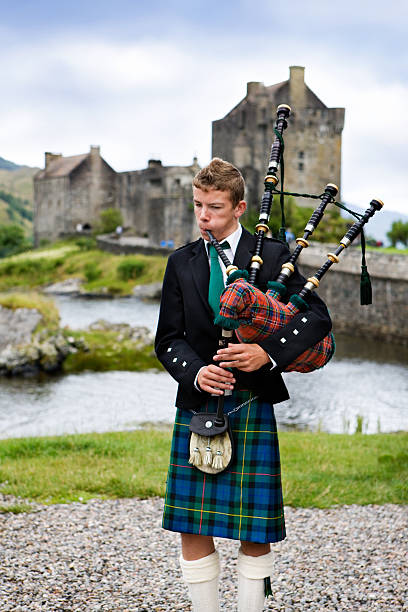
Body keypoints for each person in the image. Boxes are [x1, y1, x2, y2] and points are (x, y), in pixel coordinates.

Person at [155, 158, 332, 611]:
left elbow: (317, 320)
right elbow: (168, 339)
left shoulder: (274, 255)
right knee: (193, 524)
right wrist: (196, 371)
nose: (203, 217)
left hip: (252, 399)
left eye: (213, 207)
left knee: (253, 527)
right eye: (197, 206)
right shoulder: (181, 262)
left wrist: (268, 353)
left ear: (240, 207)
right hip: (200, 401)